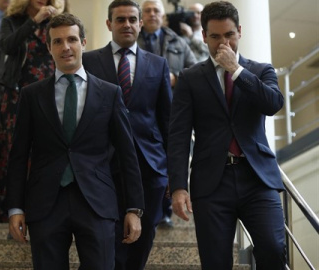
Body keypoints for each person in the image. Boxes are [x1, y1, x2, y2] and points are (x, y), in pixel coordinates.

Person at [6, 13, 145, 270]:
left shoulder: (109, 93)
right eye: (57, 41)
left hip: (97, 203)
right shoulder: (31, 95)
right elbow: (19, 155)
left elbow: (128, 155)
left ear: (83, 42)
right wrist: (15, 208)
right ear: (49, 47)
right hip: (45, 202)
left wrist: (134, 209)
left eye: (71, 39)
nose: (65, 47)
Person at [168, 1, 286, 269]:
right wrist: (178, 186)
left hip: (258, 178)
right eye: (216, 36)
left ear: (239, 32)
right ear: (204, 37)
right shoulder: (190, 78)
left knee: (273, 247)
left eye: (229, 35)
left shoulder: (260, 70)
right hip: (211, 183)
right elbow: (178, 134)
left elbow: (273, 104)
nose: (224, 42)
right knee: (215, 261)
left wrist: (237, 70)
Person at [82, 0, 172, 269]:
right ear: (109, 24)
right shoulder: (88, 61)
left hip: (150, 165)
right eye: (120, 19)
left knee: (143, 238)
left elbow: (167, 121)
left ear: (141, 24)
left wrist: (172, 171)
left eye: (133, 19)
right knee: (107, 237)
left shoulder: (158, 65)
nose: (127, 25)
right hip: (104, 165)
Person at [0, 0, 64, 221]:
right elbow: (7, 46)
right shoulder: (12, 21)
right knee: (13, 150)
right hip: (18, 94)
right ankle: (10, 207)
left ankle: (41, 206)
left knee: (45, 148)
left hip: (50, 94)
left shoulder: (57, 22)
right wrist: (34, 22)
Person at [138, 0, 196, 88]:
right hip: (141, 95)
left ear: (163, 17)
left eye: (156, 11)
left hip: (172, 96)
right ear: (141, 16)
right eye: (147, 11)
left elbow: (194, 70)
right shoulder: (132, 41)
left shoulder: (179, 42)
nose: (152, 14)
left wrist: (176, 78)